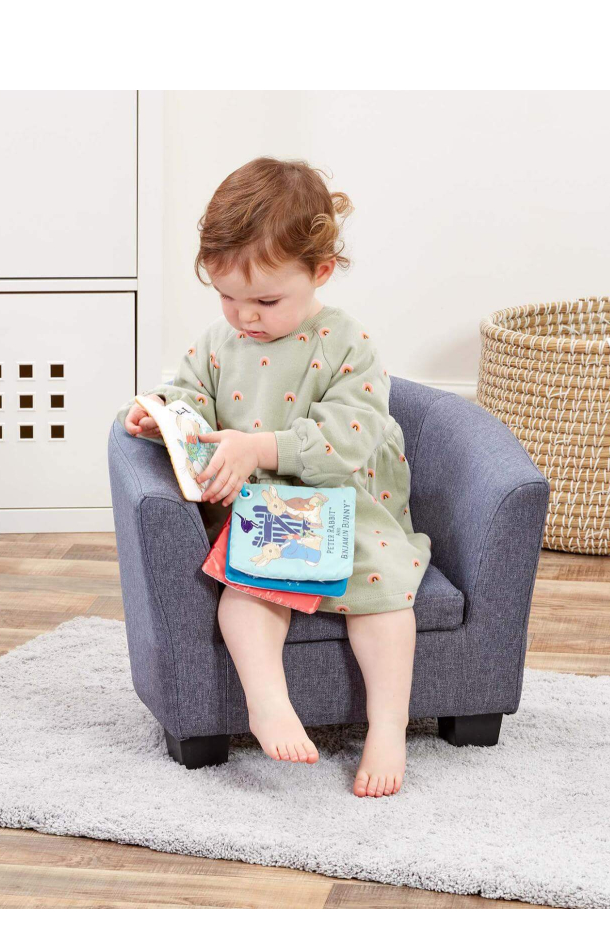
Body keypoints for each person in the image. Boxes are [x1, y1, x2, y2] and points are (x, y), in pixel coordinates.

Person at [115, 157, 432, 797]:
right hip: (265, 510)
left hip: (340, 501)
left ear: (320, 272)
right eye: (227, 297)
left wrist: (260, 446)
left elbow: (351, 435)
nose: (245, 317)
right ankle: (267, 703)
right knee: (246, 594)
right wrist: (163, 416)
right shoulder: (218, 342)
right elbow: (192, 397)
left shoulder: (345, 342)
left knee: (385, 594)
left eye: (264, 301)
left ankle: (388, 727)